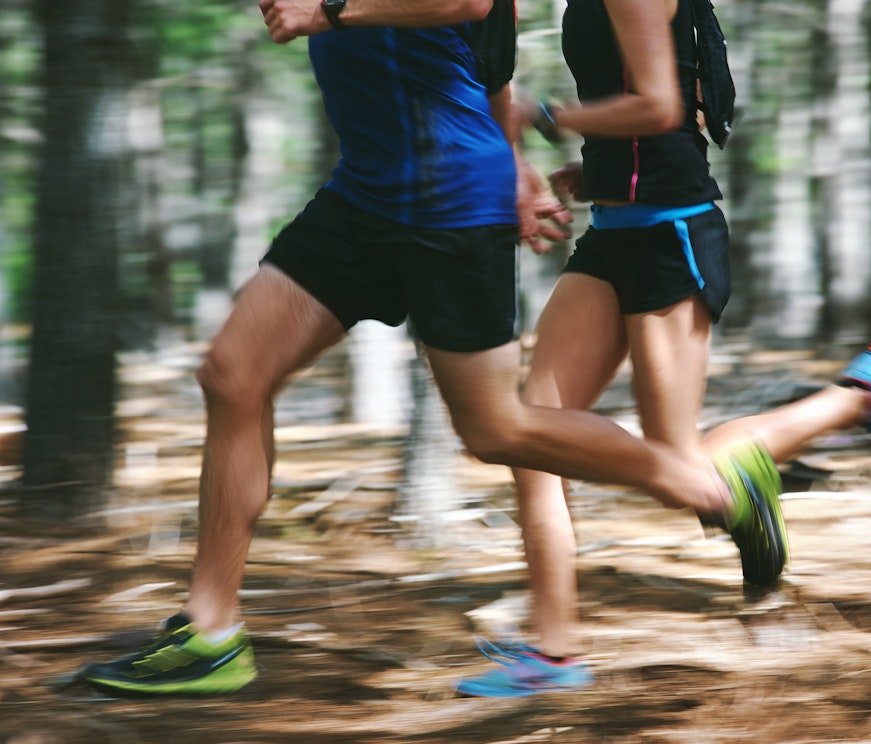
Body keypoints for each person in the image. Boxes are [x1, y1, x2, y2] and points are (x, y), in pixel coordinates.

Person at [76, 0, 788, 697]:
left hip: (447, 198)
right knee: (231, 374)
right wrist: (517, 161)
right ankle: (211, 633)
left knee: (495, 430)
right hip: (364, 191)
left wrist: (328, 12)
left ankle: (719, 492)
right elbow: (492, 50)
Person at [452, 0, 871, 698]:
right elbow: (653, 107)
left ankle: (864, 396)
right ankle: (554, 653)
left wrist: (541, 114)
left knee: (676, 465)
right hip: (618, 231)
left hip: (670, 236)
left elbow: (659, 106)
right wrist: (592, 172)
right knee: (528, 436)